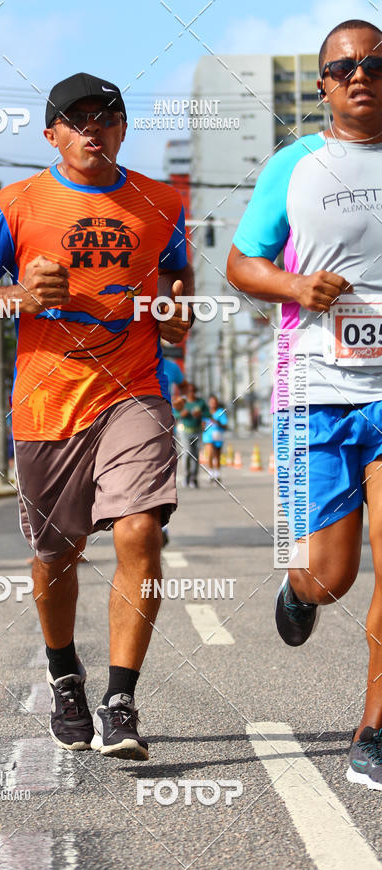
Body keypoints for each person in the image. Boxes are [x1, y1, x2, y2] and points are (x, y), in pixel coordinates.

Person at [0, 72, 194, 760]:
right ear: (52, 133)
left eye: (106, 116)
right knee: (55, 558)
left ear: (122, 128)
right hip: (48, 404)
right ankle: (65, 675)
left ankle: (121, 700)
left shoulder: (161, 201)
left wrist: (176, 315)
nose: (93, 126)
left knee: (140, 530)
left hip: (135, 389)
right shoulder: (17, 203)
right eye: (77, 117)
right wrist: (20, 295)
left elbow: (176, 282)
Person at [227, 19, 382, 789]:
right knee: (332, 575)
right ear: (323, 83)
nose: (363, 74)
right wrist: (294, 286)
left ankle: (374, 728)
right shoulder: (294, 164)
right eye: (345, 65)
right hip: (319, 388)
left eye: (377, 62)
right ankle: (300, 589)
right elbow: (241, 262)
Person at [161, 353, 185, 544]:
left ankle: (162, 526)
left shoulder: (171, 366)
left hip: (165, 424)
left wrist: (180, 400)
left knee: (162, 475)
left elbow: (184, 387)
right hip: (132, 424)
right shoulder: (132, 356)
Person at [174, 382, 208, 488]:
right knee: (187, 453)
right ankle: (186, 476)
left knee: (195, 455)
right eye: (189, 391)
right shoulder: (182, 402)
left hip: (197, 431)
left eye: (193, 391)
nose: (191, 393)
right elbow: (174, 413)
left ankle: (194, 478)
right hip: (184, 431)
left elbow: (208, 413)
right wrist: (181, 414)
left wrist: (200, 414)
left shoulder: (200, 402)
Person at [202, 394, 227, 483]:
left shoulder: (221, 412)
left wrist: (217, 422)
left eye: (214, 402)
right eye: (211, 402)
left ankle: (217, 474)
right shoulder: (205, 412)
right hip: (207, 436)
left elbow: (225, 425)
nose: (213, 404)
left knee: (217, 455)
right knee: (210, 454)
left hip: (218, 435)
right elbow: (202, 424)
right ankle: (211, 474)